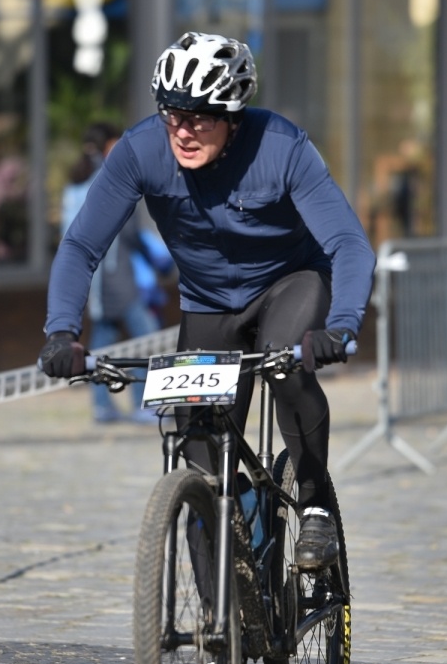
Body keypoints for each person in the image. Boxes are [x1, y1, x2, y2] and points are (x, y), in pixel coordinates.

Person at [40, 30, 376, 572]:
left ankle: (314, 505)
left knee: (286, 365)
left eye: (201, 117)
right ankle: (218, 644)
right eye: (173, 113)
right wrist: (61, 331)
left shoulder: (282, 147)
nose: (184, 130)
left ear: (234, 115)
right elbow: (81, 245)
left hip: (290, 283)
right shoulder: (140, 150)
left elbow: (348, 245)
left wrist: (340, 326)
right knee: (198, 463)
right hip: (208, 304)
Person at [60, 123, 172, 423]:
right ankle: (147, 404)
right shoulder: (110, 178)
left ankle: (101, 406)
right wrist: (159, 260)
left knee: (104, 340)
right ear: (109, 145)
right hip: (115, 274)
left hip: (91, 280)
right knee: (147, 339)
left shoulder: (75, 183)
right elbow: (130, 231)